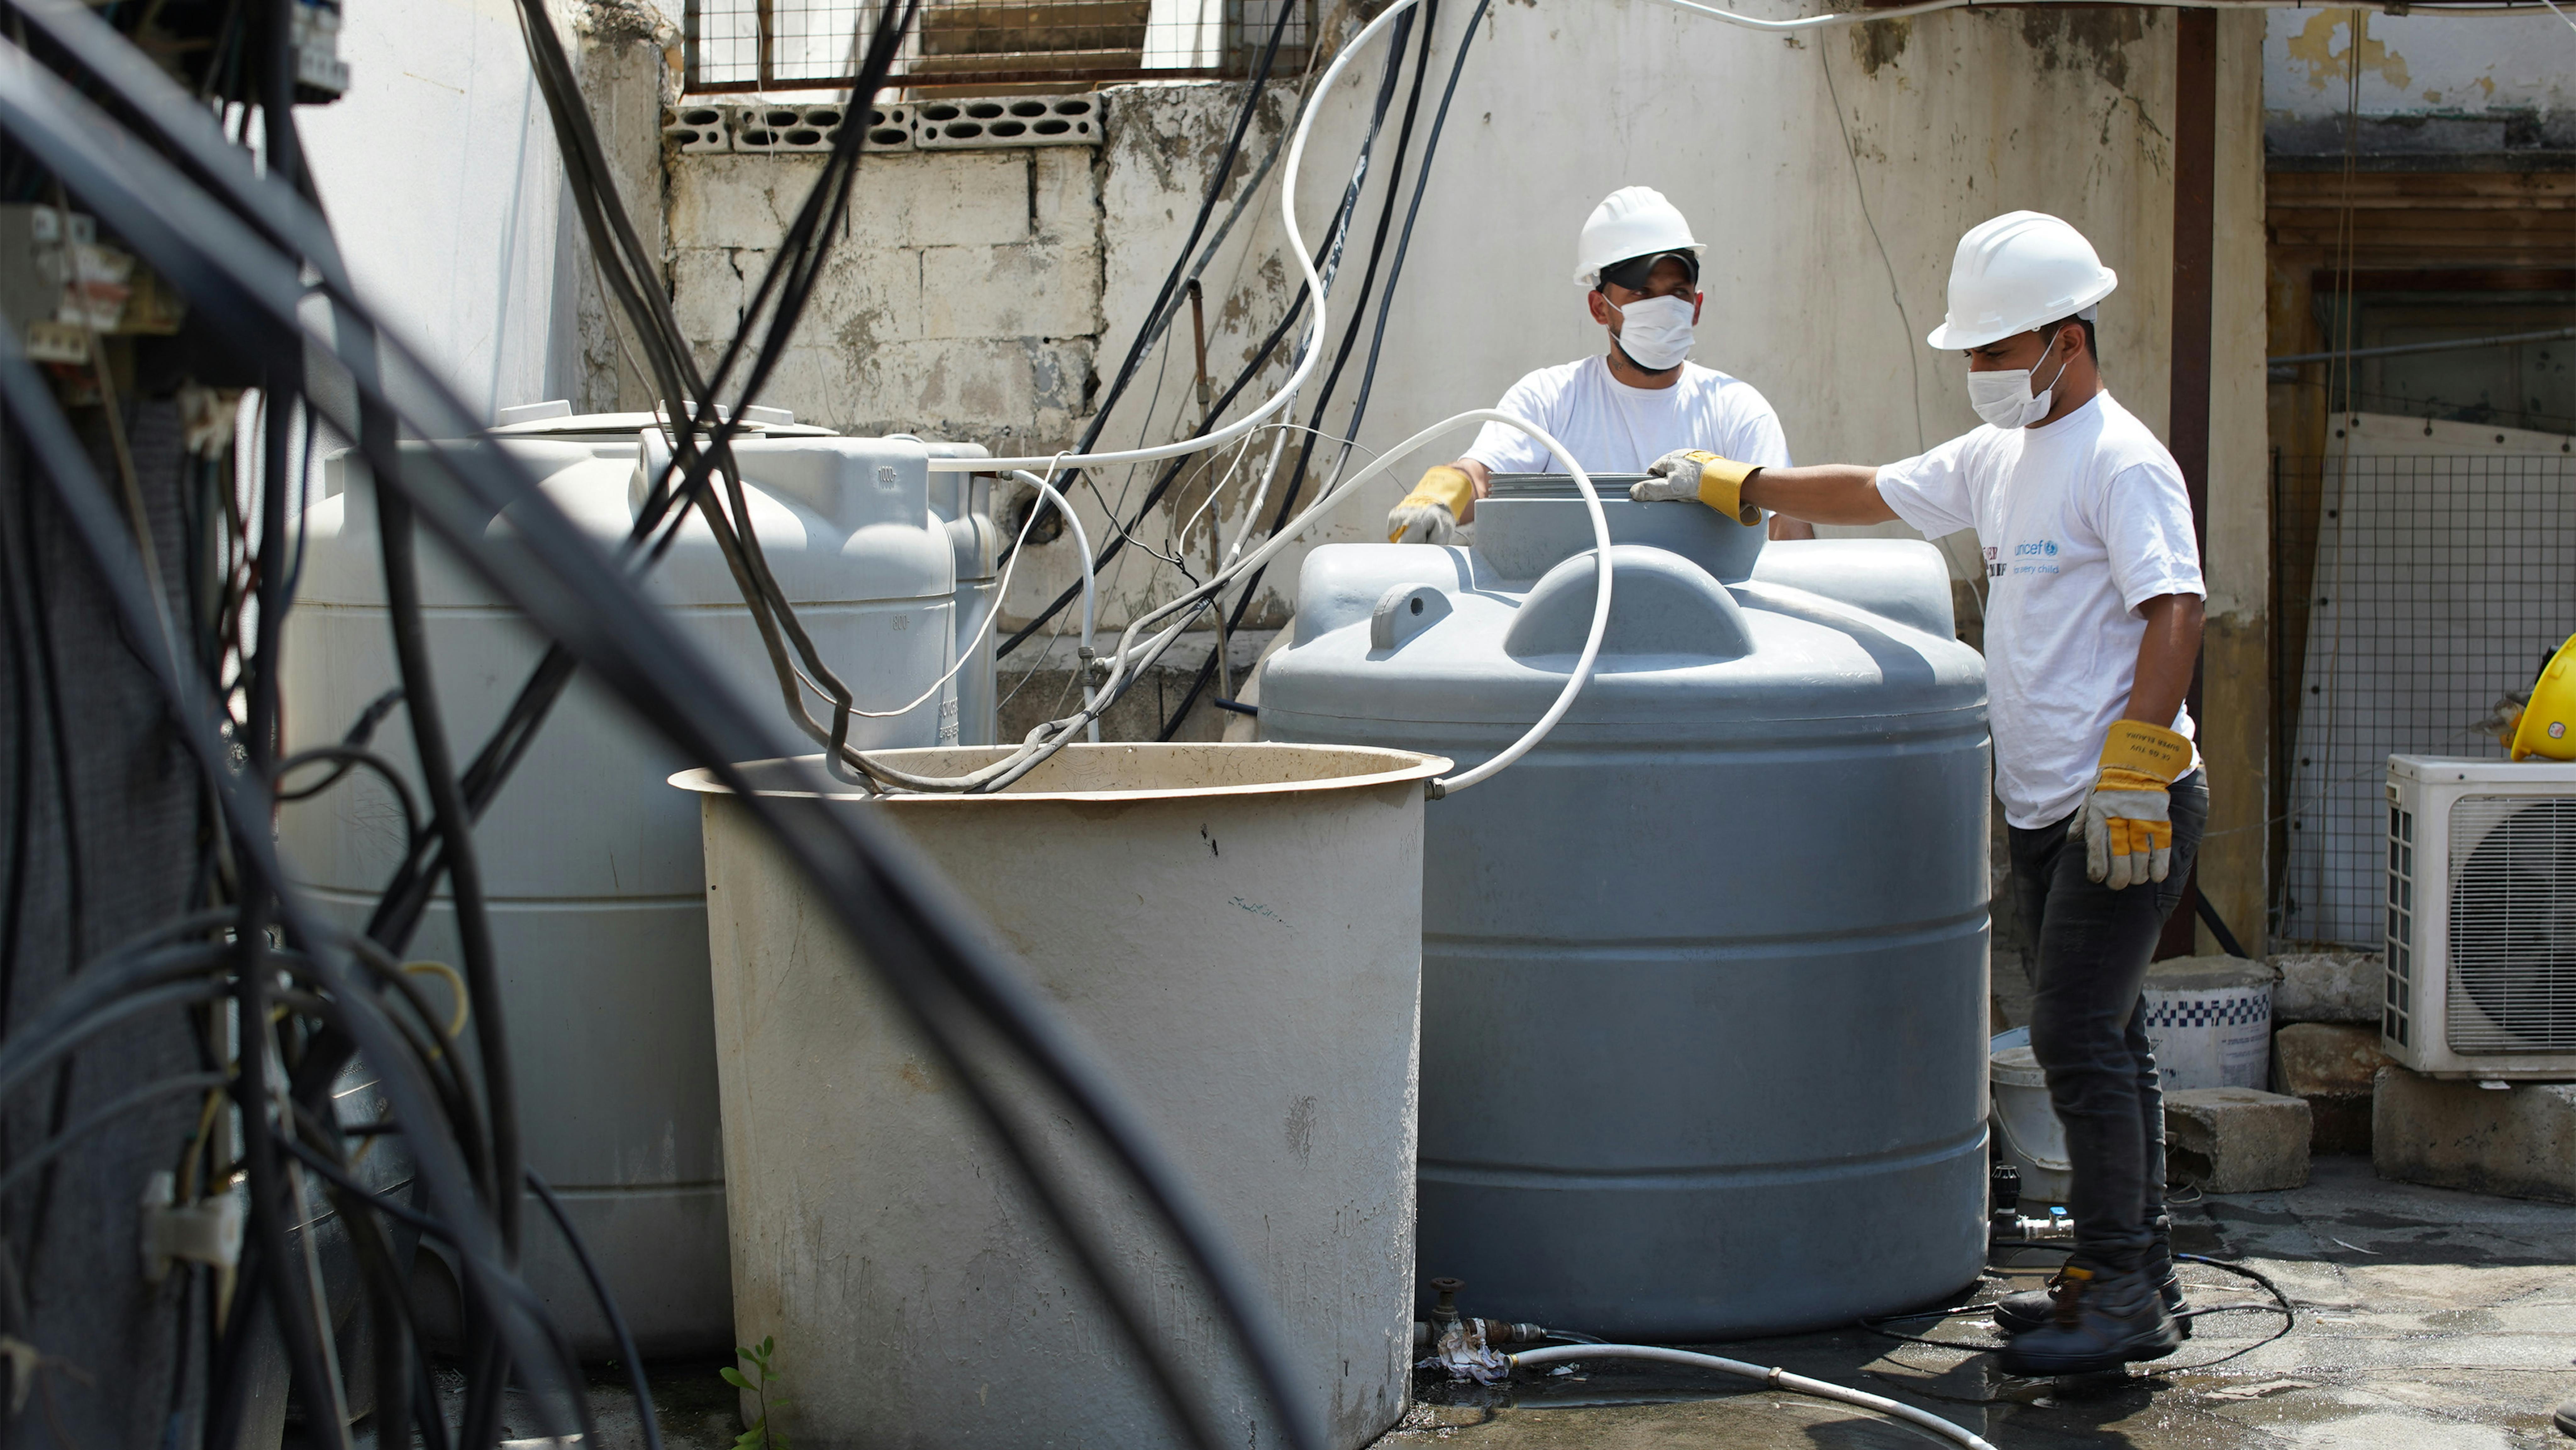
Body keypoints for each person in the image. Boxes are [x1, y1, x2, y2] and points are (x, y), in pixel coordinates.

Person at [1630, 210, 2207, 1376]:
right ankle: (2131, 1271)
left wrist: (2137, 769)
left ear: (2065, 339)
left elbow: (2177, 609)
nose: (1980, 375)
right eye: (1973, 358)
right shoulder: (2001, 459)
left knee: (2076, 1038)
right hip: (2050, 812)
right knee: (2113, 1039)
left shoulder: (2121, 458)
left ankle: (2120, 1288)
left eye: (1995, 354)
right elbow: (1872, 491)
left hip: (2127, 806)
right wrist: (1737, 485)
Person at [1383, 185, 1803, 544]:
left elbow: (1787, 526)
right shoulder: (1551, 399)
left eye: (1677, 292)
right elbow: (1482, 477)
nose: (1662, 307)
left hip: (1708, 630)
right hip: (1571, 626)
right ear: (1599, 308)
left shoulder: (1735, 409)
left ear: (1696, 307)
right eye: (1642, 292)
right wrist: (1439, 495)